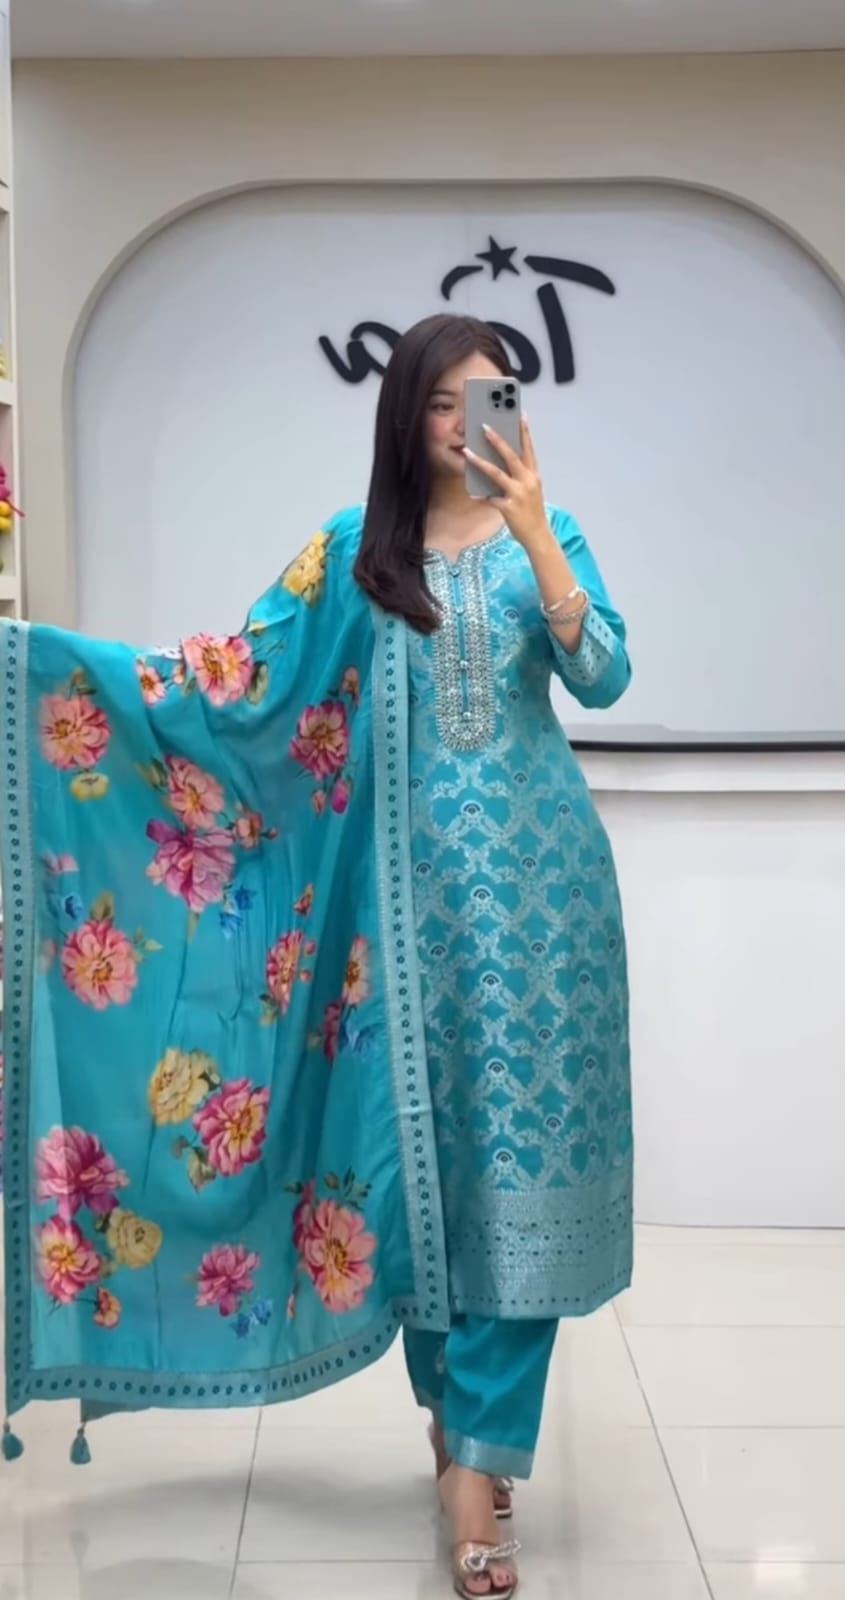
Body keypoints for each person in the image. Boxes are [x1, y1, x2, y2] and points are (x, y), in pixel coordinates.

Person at [0, 314, 632, 1600]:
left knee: (527, 1184)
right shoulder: (355, 553)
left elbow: (605, 673)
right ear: (405, 416)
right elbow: (224, 685)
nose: (468, 424)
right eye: (445, 402)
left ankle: (479, 1464)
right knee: (417, 1183)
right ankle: (456, 1426)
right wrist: (41, 664)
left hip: (544, 915)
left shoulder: (551, 534)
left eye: (491, 397)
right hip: (392, 931)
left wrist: (533, 535)